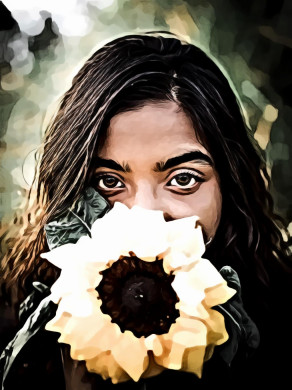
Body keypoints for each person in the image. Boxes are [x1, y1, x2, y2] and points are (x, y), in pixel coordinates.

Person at [0, 32, 291, 389]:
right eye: (109, 182)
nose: (145, 219)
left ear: (230, 185)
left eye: (183, 179)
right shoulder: (19, 333)